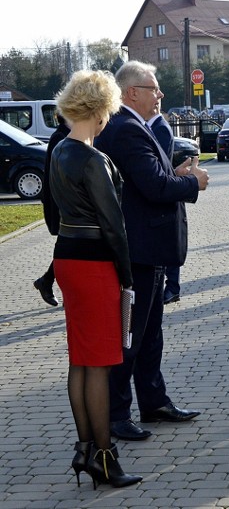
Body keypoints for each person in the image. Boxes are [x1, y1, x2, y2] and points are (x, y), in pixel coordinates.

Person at [94, 60, 209, 442]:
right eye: (153, 88)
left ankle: (154, 401)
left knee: (149, 332)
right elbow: (155, 188)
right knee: (130, 334)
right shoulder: (126, 130)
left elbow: (152, 181)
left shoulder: (133, 127)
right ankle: (116, 414)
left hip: (147, 249)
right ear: (131, 93)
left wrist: (175, 177)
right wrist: (191, 181)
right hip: (138, 250)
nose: (160, 95)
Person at [51, 70, 142, 488]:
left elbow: (58, 218)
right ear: (101, 109)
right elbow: (113, 224)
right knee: (101, 363)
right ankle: (105, 456)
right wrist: (126, 276)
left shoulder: (59, 152)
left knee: (81, 359)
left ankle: (86, 450)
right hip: (94, 266)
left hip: (69, 261)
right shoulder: (91, 158)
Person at [33, 114, 71, 307]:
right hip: (60, 201)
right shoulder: (60, 137)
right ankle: (48, 282)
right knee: (68, 245)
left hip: (65, 200)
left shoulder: (67, 134)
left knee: (68, 245)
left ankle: (46, 281)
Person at [149, 111, 182, 305]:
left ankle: (172, 287)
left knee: (169, 245)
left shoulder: (160, 127)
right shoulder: (154, 125)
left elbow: (160, 163)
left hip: (164, 193)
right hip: (163, 191)